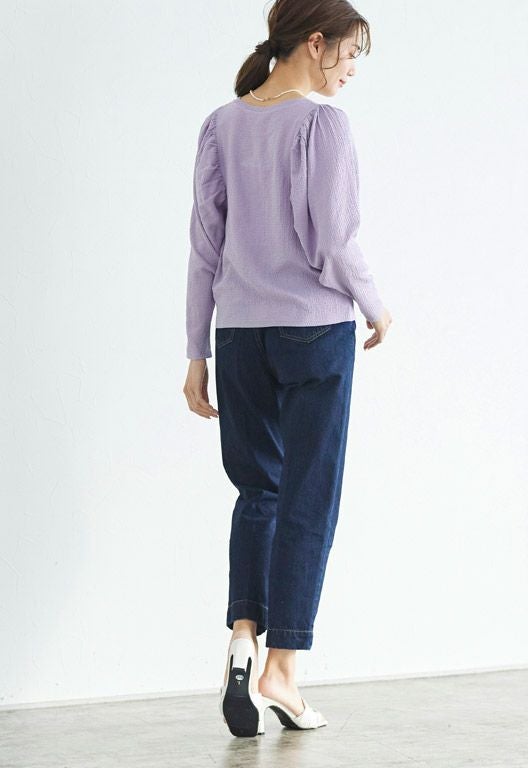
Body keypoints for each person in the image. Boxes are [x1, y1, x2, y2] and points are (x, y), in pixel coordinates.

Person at [182, 0, 392, 737]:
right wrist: (377, 305)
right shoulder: (322, 124)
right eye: (351, 53)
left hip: (239, 337)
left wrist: (196, 352)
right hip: (313, 333)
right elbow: (335, 238)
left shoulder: (221, 123)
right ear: (316, 43)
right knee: (309, 497)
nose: (352, 69)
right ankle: (283, 670)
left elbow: (204, 248)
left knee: (258, 491)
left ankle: (243, 636)